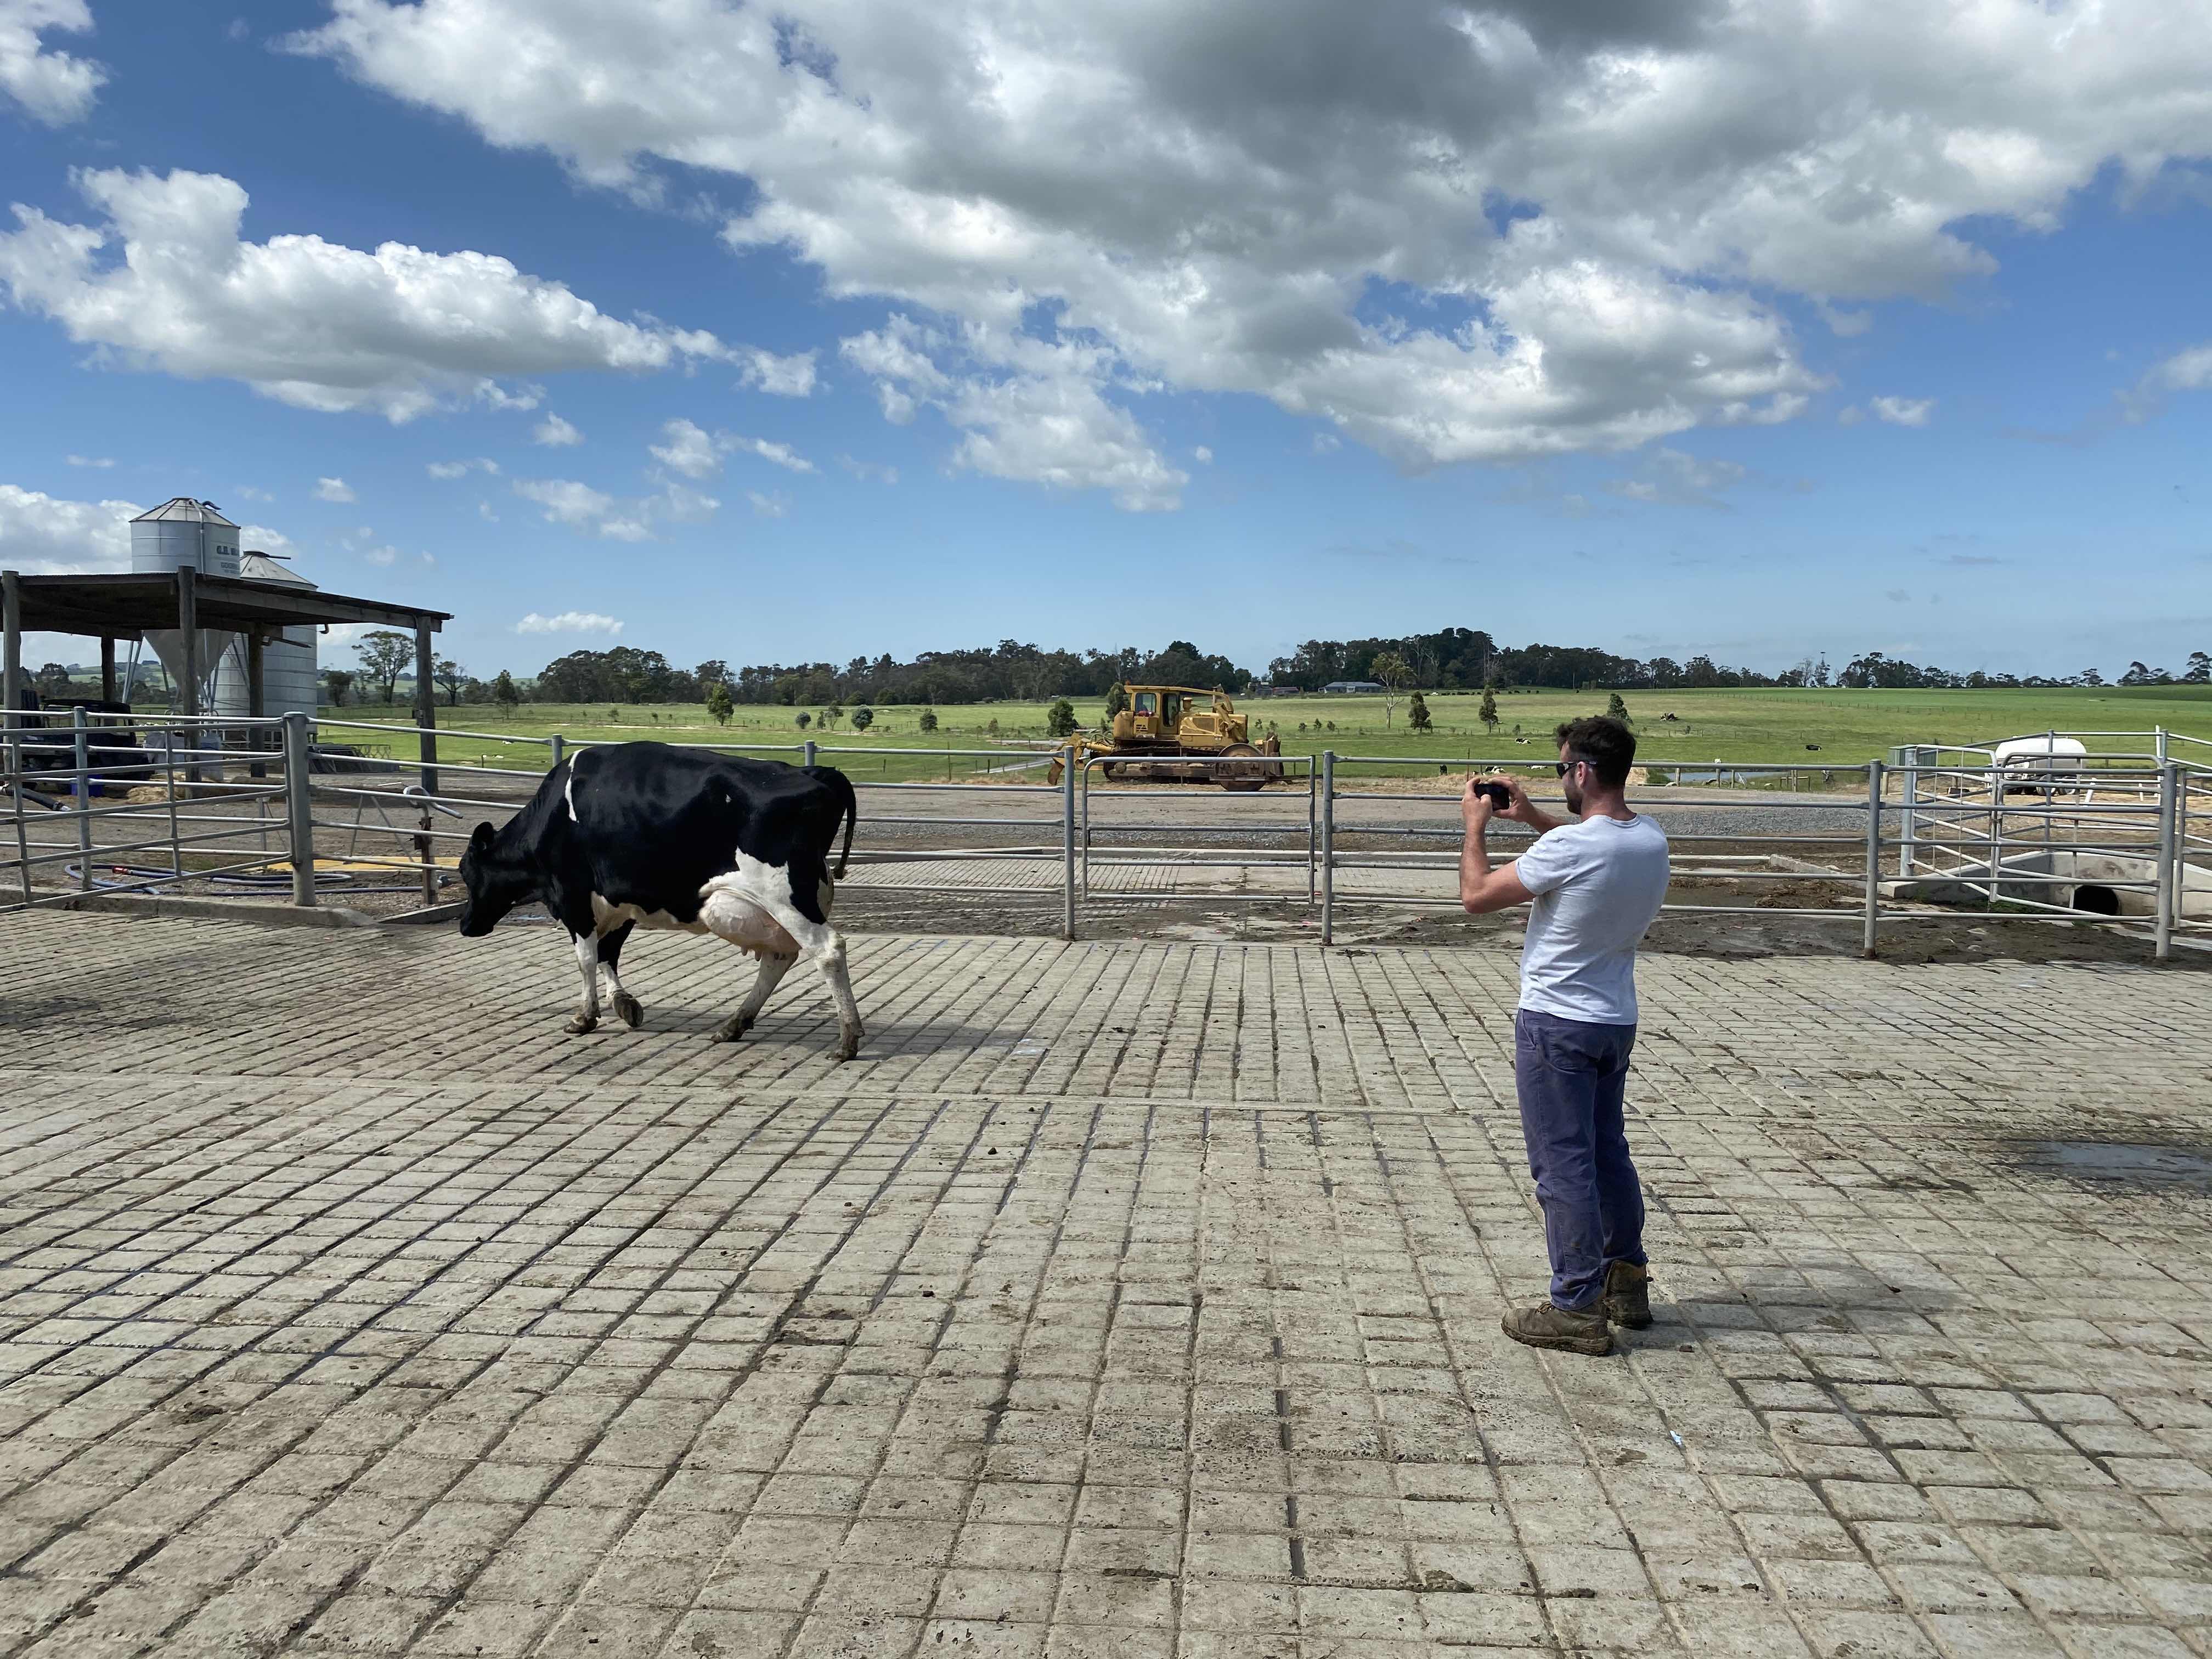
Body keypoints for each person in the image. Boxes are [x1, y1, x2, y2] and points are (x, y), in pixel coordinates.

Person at [1458, 715, 1671, 1356]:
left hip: (1556, 1023)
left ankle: (1575, 1305)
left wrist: (1475, 827)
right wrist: (1531, 819)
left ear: (1580, 770)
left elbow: (1476, 897)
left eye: (1560, 769)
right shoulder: (1649, 839)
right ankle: (1624, 1282)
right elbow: (1586, 849)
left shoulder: (1574, 847)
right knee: (1608, 1153)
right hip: (1614, 1020)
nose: (1561, 780)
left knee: (1563, 1165)